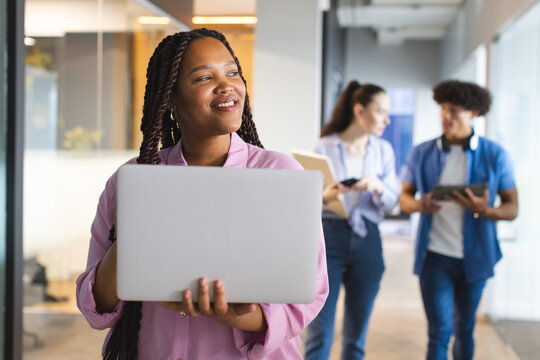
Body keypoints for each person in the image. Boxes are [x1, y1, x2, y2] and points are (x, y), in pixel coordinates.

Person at [75, 28, 329, 360]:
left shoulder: (279, 174)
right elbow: (96, 303)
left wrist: (236, 316)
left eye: (232, 72)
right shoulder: (132, 181)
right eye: (204, 77)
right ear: (171, 98)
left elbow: (307, 294)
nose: (227, 85)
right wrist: (133, 240)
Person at [399, 80, 518, 360]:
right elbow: (404, 198)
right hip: (434, 257)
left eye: (453, 110)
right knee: (439, 331)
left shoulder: (495, 155)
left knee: (464, 329)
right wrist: (419, 205)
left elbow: (512, 208)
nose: (445, 116)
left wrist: (484, 209)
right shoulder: (422, 152)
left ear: (473, 113)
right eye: (442, 109)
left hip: (475, 257)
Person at [304, 81, 400, 360]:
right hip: (328, 236)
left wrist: (378, 186)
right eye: (380, 111)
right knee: (320, 332)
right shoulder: (323, 147)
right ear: (360, 111)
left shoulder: (384, 151)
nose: (387, 119)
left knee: (356, 336)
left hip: (368, 238)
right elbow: (305, 199)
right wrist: (325, 195)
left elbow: (393, 202)